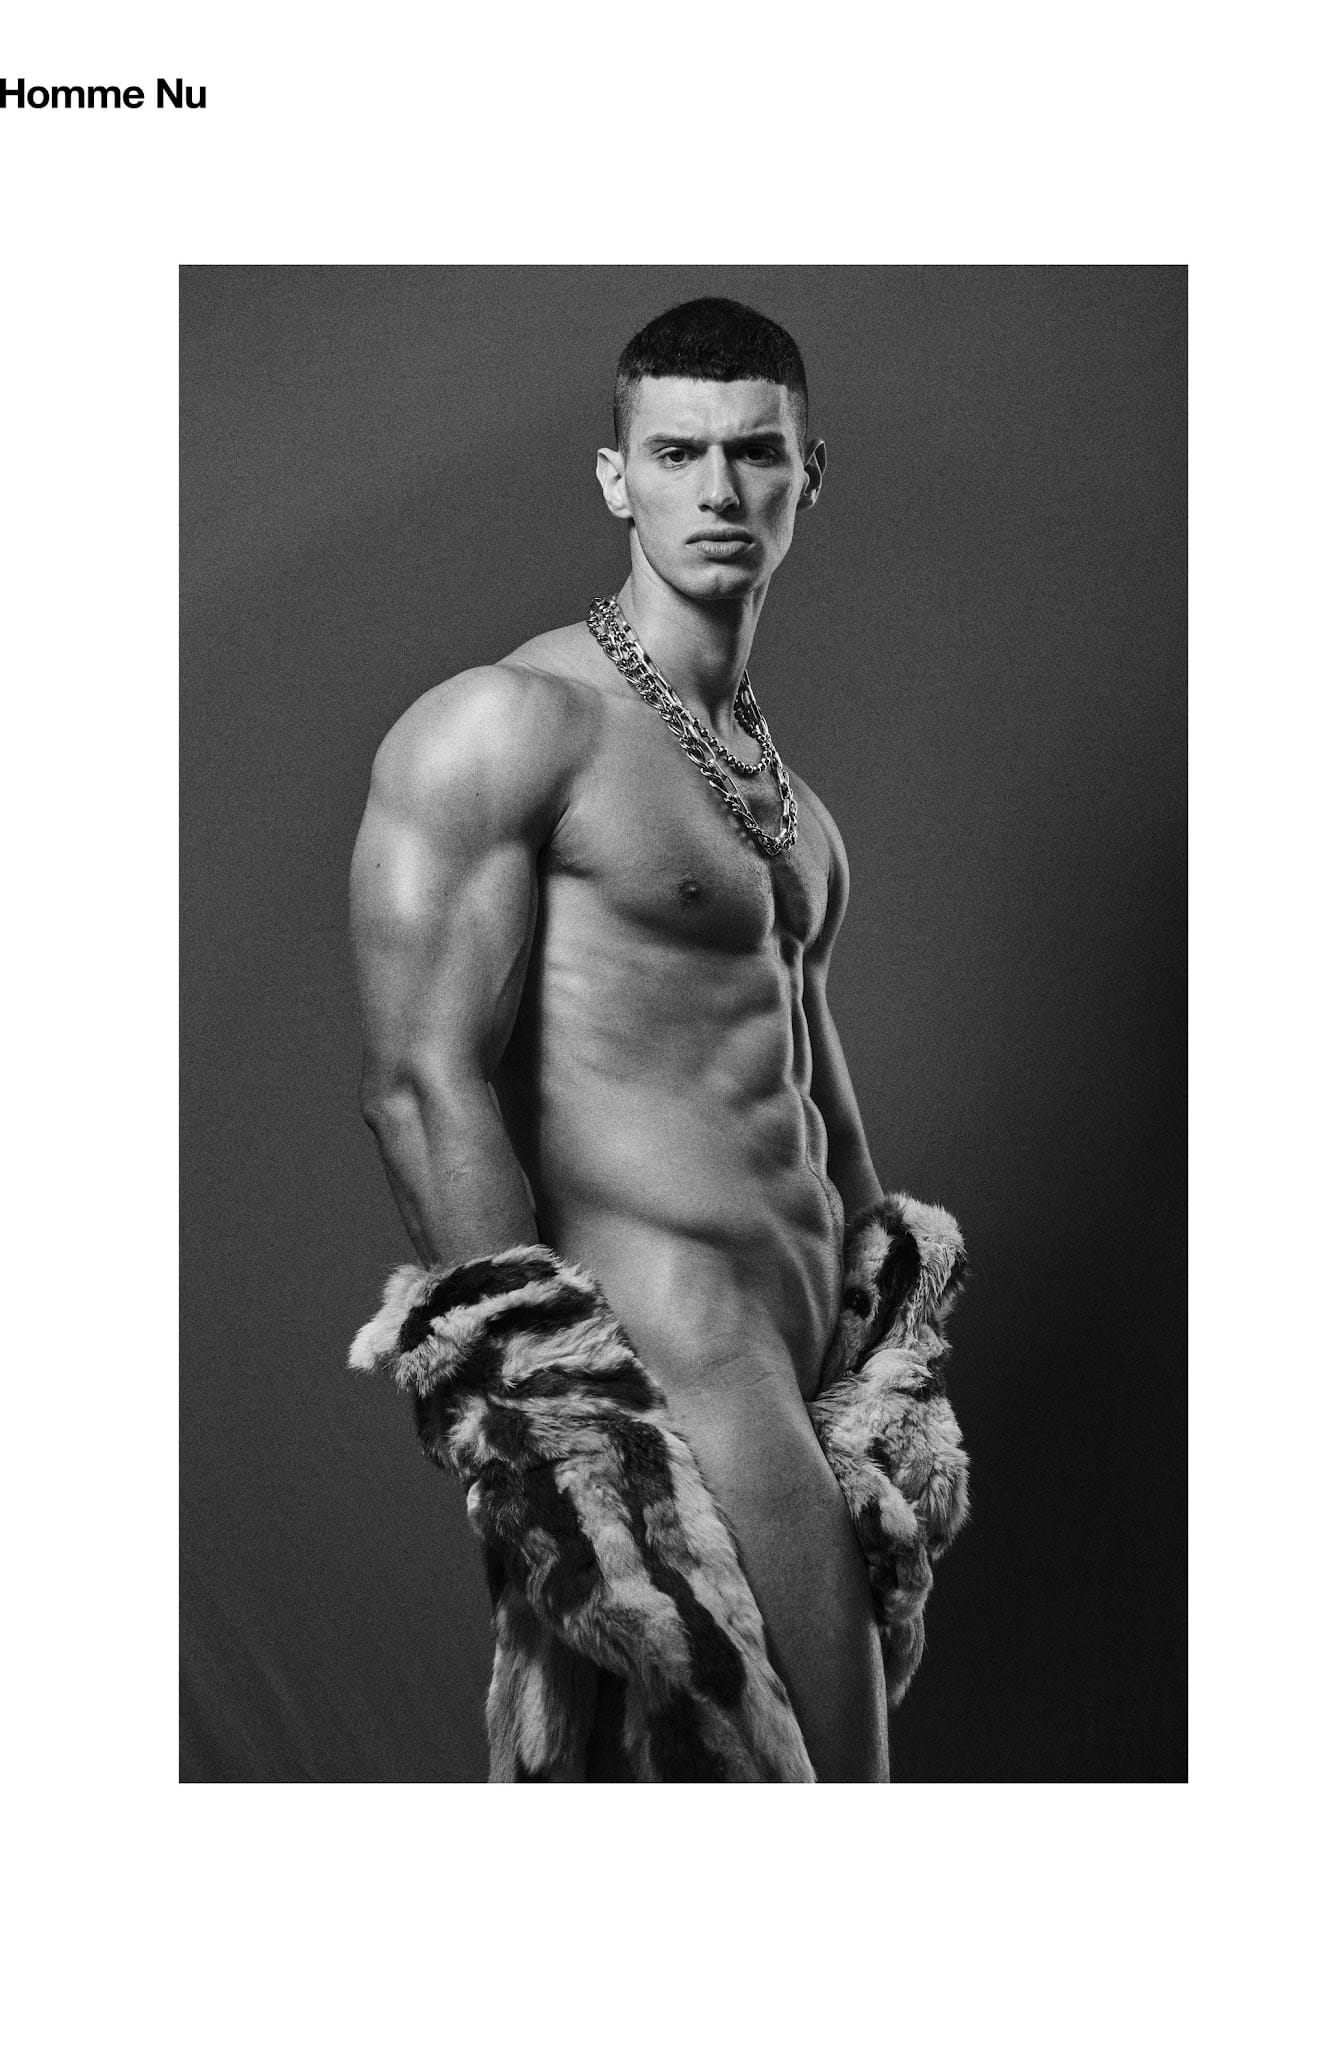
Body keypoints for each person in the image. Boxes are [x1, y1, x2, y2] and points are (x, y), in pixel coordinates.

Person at [349, 297, 965, 1781]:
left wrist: (892, 1342)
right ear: (615, 478)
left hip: (811, 1369)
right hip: (679, 1353)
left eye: (756, 453)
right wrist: (559, 1424)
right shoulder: (513, 725)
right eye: (677, 453)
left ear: (808, 475)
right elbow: (422, 1081)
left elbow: (811, 1094)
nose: (719, 488)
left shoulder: (796, 815)